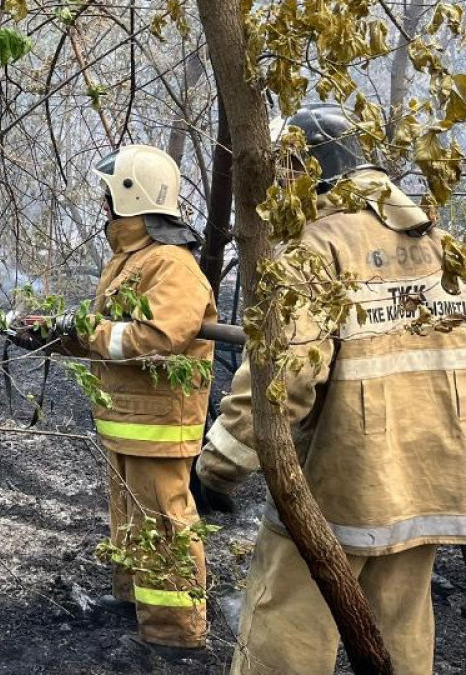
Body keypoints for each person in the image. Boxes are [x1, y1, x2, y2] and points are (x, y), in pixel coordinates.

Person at [197, 102, 466, 673]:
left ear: (306, 165)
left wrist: (220, 462)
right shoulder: (438, 240)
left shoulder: (318, 247)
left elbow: (283, 373)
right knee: (404, 626)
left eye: (283, 169)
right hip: (429, 480)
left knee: (286, 620)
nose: (277, 185)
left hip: (341, 481)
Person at [12, 144, 217, 657]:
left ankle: (174, 636)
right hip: (128, 422)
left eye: (110, 193)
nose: (104, 204)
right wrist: (51, 335)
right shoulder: (133, 259)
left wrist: (83, 326)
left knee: (164, 527)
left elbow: (154, 337)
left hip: (159, 425)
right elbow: (110, 334)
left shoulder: (172, 264)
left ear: (132, 196)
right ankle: (137, 605)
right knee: (130, 521)